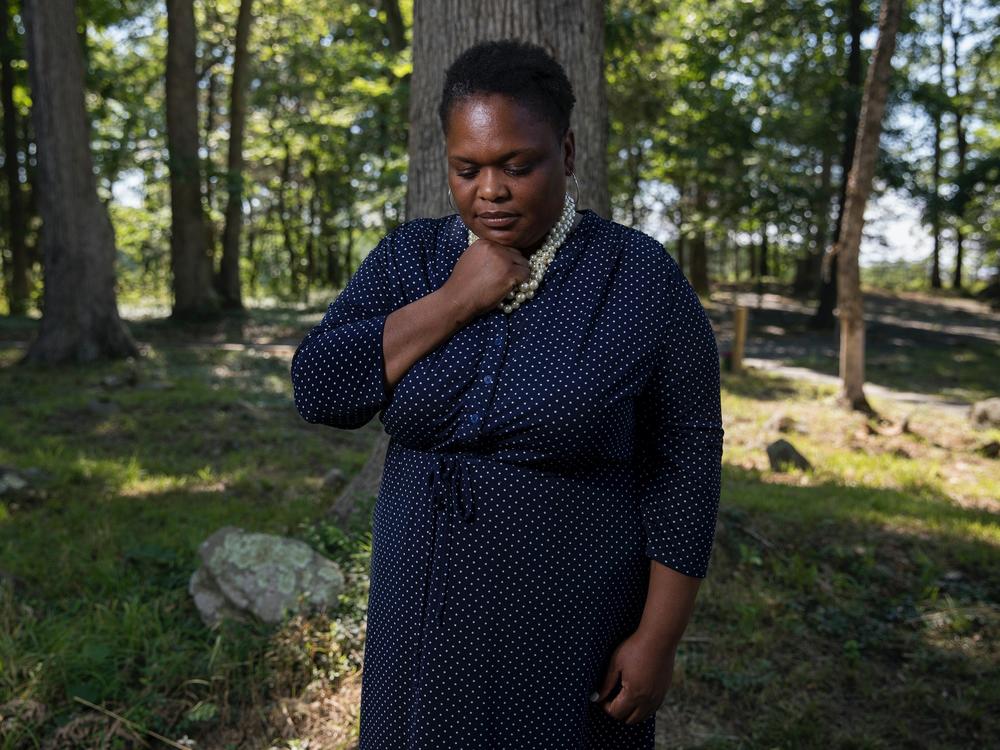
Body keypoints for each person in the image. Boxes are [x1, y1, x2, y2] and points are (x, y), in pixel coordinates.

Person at [290, 38, 724, 750]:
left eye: (517, 166)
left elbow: (687, 462)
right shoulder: (413, 259)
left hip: (564, 621)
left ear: (569, 153)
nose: (489, 190)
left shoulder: (638, 278)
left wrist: (658, 639)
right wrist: (456, 299)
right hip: (418, 614)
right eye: (468, 169)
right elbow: (319, 387)